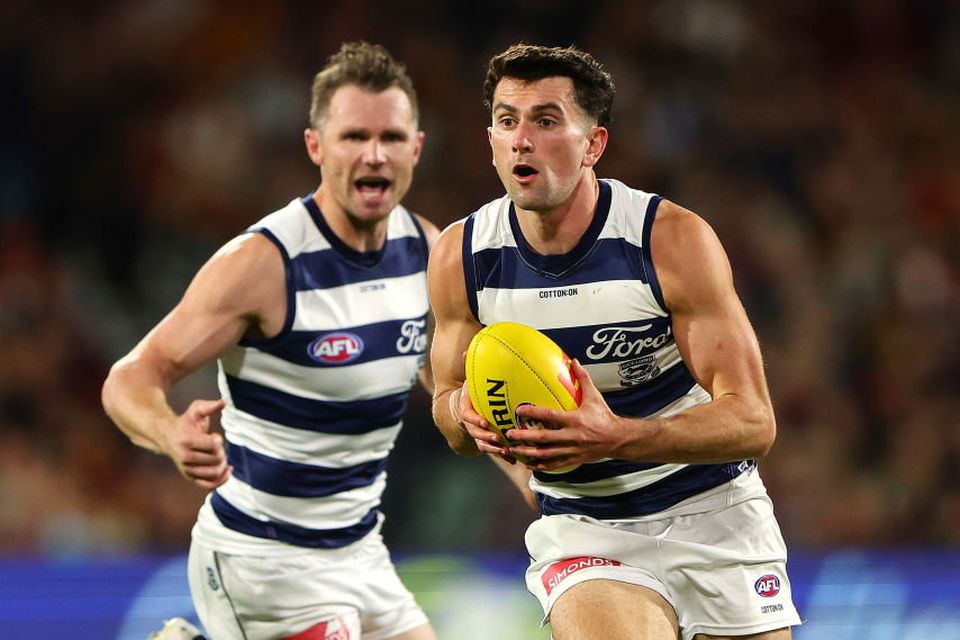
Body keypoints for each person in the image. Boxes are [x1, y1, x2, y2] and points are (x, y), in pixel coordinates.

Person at [428, 43, 802, 640]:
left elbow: (754, 422)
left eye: (545, 121)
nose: (522, 138)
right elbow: (447, 401)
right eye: (507, 121)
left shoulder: (669, 239)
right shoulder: (461, 257)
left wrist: (621, 437)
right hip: (586, 524)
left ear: (592, 145)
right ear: (491, 140)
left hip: (714, 514)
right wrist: (462, 412)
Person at [102, 41, 439, 640]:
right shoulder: (264, 264)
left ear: (416, 147)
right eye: (354, 137)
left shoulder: (428, 253)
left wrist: (539, 485)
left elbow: (455, 388)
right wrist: (167, 431)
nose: (374, 155)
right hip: (263, 556)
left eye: (390, 138)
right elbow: (131, 375)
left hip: (361, 550)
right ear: (316, 147)